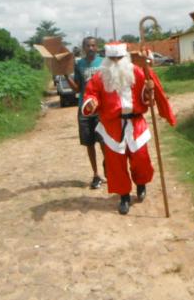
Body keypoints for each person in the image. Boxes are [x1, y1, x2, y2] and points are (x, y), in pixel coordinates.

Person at [81, 42, 175, 215]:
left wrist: (149, 91)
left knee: (141, 159)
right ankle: (124, 196)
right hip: (112, 127)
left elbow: (147, 98)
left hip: (136, 123)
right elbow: (91, 94)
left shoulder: (138, 72)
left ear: (125, 57)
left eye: (119, 58)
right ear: (107, 59)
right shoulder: (100, 77)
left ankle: (141, 183)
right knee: (116, 164)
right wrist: (91, 103)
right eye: (112, 58)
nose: (116, 62)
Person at [67, 37, 104, 189]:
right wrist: (65, 75)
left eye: (93, 45)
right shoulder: (79, 64)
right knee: (89, 144)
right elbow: (76, 89)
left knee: (104, 142)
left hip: (101, 109)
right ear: (83, 48)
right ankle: (96, 175)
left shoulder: (103, 63)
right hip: (85, 109)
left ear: (97, 47)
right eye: (88, 46)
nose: (91, 48)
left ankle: (107, 165)